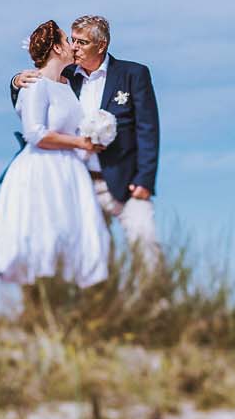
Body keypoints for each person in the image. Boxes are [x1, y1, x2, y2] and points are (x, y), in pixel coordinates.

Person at [9, 14, 161, 268]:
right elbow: (35, 93)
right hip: (79, 182)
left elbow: (148, 128)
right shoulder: (66, 76)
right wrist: (15, 81)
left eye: (82, 43)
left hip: (125, 181)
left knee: (145, 242)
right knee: (95, 253)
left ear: (101, 46)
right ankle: (104, 305)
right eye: (73, 40)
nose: (75, 47)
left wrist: (145, 179)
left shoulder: (133, 74)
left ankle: (155, 304)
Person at [0, 20, 111, 287]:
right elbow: (35, 133)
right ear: (55, 47)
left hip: (69, 170)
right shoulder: (35, 84)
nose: (73, 46)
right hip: (42, 169)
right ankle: (39, 298)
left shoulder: (66, 83)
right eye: (67, 41)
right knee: (43, 232)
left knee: (73, 235)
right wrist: (80, 143)